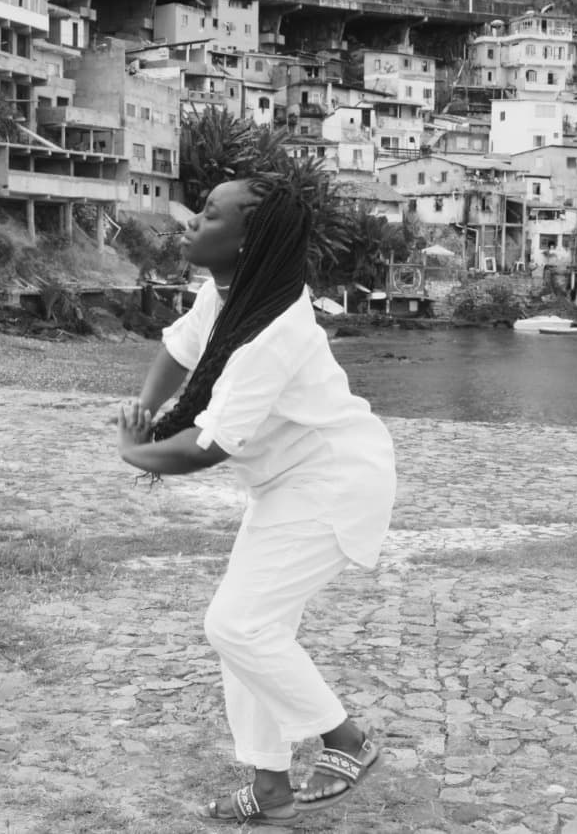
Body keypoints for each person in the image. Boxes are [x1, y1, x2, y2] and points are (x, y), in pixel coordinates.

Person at [114, 177, 396, 824]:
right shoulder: (228, 294)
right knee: (250, 633)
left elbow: (208, 445)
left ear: (248, 243)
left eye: (210, 215)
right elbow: (180, 347)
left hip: (333, 482)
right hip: (287, 485)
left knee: (237, 626)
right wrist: (146, 411)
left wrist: (134, 451)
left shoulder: (272, 330)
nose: (192, 221)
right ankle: (271, 785)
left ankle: (347, 740)